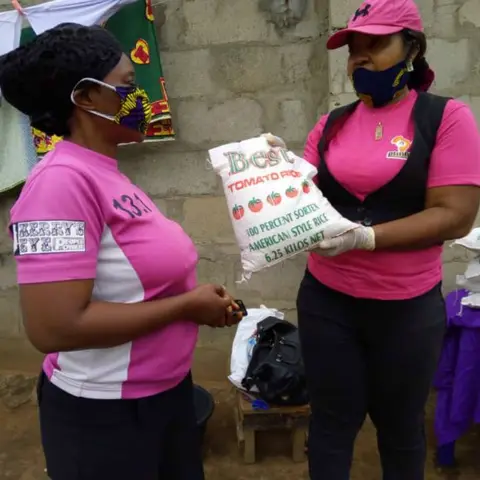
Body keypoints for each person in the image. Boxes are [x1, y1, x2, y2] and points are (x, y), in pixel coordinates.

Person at [0, 24, 243, 480]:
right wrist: (185, 306)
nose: (144, 98)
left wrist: (192, 301)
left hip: (163, 398)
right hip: (104, 416)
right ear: (86, 98)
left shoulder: (106, 173)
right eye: (129, 85)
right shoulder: (58, 184)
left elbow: (137, 282)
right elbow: (54, 327)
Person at [270, 0, 480, 478]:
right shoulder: (331, 124)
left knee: (401, 427)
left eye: (376, 45)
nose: (360, 58)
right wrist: (273, 174)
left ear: (412, 48)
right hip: (328, 303)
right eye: (354, 49)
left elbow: (455, 216)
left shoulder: (444, 118)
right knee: (330, 425)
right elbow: (302, 206)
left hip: (406, 310)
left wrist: (366, 238)